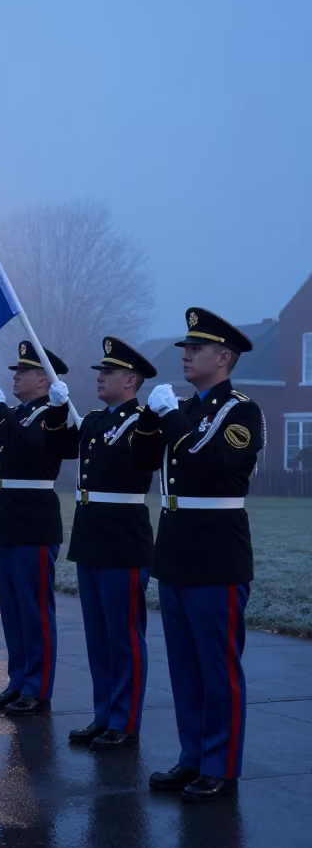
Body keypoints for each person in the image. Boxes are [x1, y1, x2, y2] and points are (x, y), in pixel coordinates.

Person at [130, 307, 264, 803]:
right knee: (185, 667)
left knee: (217, 666)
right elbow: (142, 460)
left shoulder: (241, 411)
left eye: (196, 348)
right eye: (185, 348)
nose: (185, 355)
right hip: (176, 547)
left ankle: (219, 766)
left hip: (216, 552)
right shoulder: (184, 409)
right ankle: (192, 757)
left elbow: (209, 462)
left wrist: (170, 417)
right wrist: (150, 419)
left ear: (223, 357)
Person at [0, 340, 70, 716]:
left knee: (34, 608)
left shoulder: (51, 416)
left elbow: (25, 445)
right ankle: (18, 680)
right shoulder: (16, 414)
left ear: (43, 380)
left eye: (23, 371)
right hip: (7, 518)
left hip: (34, 521)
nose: (15, 376)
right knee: (11, 608)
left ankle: (38, 687)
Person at [64, 337, 158, 750]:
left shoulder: (144, 422)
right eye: (100, 372)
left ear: (131, 380)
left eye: (108, 372)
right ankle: (103, 714)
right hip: (91, 535)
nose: (100, 378)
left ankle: (124, 720)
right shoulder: (94, 421)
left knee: (123, 637)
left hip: (123, 537)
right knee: (98, 637)